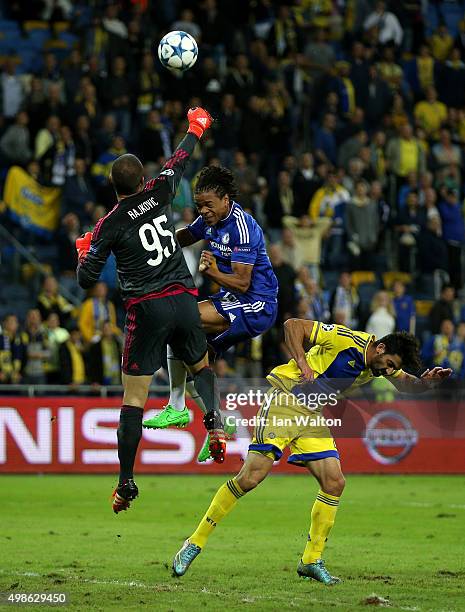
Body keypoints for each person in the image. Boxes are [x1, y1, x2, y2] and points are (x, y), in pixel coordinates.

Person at [172, 319, 451, 582]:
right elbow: (293, 326)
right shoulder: (344, 339)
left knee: (334, 482)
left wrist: (425, 383)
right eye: (389, 364)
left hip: (312, 415)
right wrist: (303, 363)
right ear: (380, 348)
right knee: (251, 478)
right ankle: (194, 542)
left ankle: (311, 560)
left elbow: (405, 384)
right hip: (286, 400)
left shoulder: (376, 364)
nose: (388, 371)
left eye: (392, 368)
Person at [76, 107, 225, 513]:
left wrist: (84, 249)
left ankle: (125, 483)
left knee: (134, 398)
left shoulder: (110, 222)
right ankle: (214, 424)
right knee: (201, 366)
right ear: (142, 181)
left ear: (113, 188)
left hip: (148, 308)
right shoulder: (159, 191)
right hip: (183, 297)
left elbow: (86, 280)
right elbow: (179, 159)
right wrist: (196, 127)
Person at [143, 165, 279, 462]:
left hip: (257, 304)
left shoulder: (242, 227)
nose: (203, 211)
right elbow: (184, 237)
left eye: (208, 205)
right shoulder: (211, 221)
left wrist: (214, 271)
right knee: (190, 352)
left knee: (180, 319)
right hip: (232, 299)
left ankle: (177, 406)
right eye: (199, 205)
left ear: (226, 200)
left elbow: (244, 283)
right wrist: (151, 238)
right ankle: (217, 423)